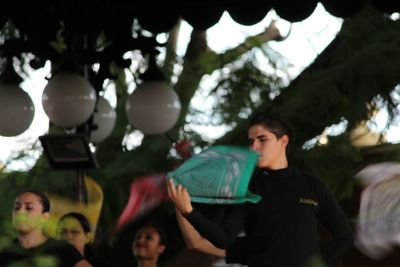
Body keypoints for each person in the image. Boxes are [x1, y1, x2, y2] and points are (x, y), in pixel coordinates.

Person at [168, 112, 354, 267]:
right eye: (251, 142)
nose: (254, 147)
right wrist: (188, 212)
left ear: (283, 141)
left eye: (262, 139)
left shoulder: (312, 185)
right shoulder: (244, 189)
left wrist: (314, 261)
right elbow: (223, 239)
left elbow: (344, 235)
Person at [0, 189, 92, 267]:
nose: (20, 212)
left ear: (44, 217)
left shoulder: (63, 250)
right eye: (16, 208)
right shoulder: (5, 251)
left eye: (29, 208)